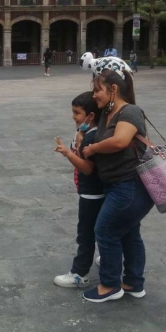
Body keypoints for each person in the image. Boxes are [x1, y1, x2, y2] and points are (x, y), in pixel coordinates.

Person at [81, 69, 154, 303]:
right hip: (117, 185)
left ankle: (110, 285)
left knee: (105, 230)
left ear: (113, 89)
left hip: (130, 185)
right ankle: (133, 283)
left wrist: (92, 149)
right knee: (129, 233)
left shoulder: (130, 111)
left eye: (97, 90)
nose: (94, 95)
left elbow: (121, 141)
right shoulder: (106, 114)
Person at [53, 92, 104, 288]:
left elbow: (87, 168)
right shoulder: (88, 132)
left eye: (77, 113)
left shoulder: (92, 136)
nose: (73, 116)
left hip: (91, 193)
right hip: (94, 192)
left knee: (85, 233)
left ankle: (79, 273)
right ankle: (107, 258)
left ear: (90, 116)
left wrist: (68, 153)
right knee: (98, 230)